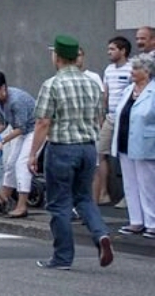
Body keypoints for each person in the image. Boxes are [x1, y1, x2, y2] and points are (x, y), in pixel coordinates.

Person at [30, 35, 114, 270]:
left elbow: (43, 122)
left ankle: (63, 257)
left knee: (59, 204)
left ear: (57, 57)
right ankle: (101, 234)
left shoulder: (52, 84)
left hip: (62, 148)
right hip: (88, 146)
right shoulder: (91, 83)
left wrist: (33, 153)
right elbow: (100, 117)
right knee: (85, 198)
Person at [110, 53, 155, 237]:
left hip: (146, 143)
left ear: (147, 71)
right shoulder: (129, 90)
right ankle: (136, 221)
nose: (132, 71)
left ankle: (152, 222)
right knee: (130, 184)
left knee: (148, 184)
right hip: (124, 141)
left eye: (136, 68)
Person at [0, 72, 37, 217]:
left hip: (34, 130)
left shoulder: (16, 100)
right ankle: (3, 200)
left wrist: (2, 140)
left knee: (22, 164)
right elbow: (3, 122)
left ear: (3, 87)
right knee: (11, 163)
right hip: (21, 131)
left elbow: (22, 127)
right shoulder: (0, 100)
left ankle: (22, 205)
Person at [96, 37, 132, 205]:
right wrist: (102, 117)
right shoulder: (109, 69)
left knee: (126, 156)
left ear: (123, 50)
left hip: (126, 118)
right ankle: (103, 193)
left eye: (112, 49)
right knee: (101, 153)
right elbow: (106, 95)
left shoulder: (132, 68)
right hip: (110, 117)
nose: (109, 52)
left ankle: (128, 195)